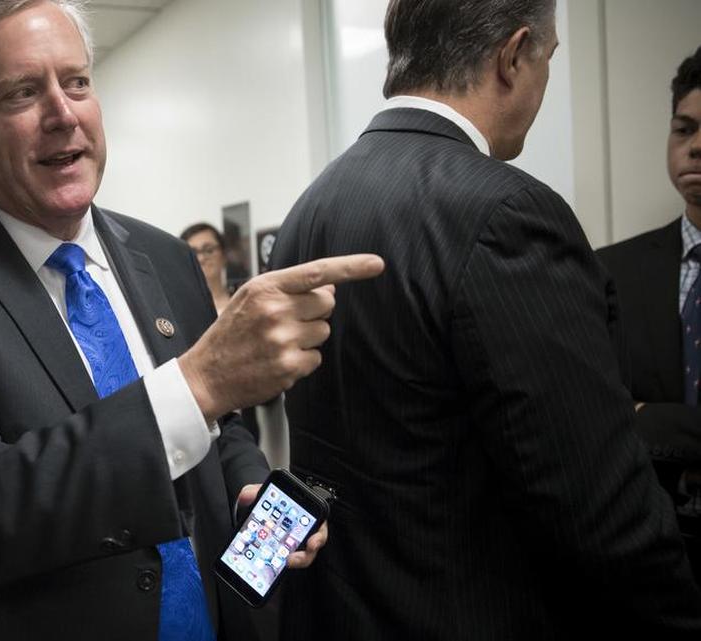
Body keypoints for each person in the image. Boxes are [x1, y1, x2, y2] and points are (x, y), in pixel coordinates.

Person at [0, 1, 383, 640]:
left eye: (77, 82)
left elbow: (220, 426)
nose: (62, 114)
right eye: (21, 92)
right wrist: (196, 383)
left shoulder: (165, 257)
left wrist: (249, 484)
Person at [270, 1, 701, 638]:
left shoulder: (314, 204)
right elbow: (598, 506)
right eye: (548, 60)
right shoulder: (507, 215)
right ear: (513, 55)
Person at [598, 45, 701, 584]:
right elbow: (597, 417)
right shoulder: (609, 270)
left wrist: (644, 416)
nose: (696, 148)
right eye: (683, 130)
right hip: (648, 555)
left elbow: (626, 417)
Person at [181, 223, 232, 314]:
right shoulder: (179, 309)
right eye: (193, 254)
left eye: (209, 250)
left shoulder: (243, 301)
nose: (201, 258)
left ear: (224, 254)